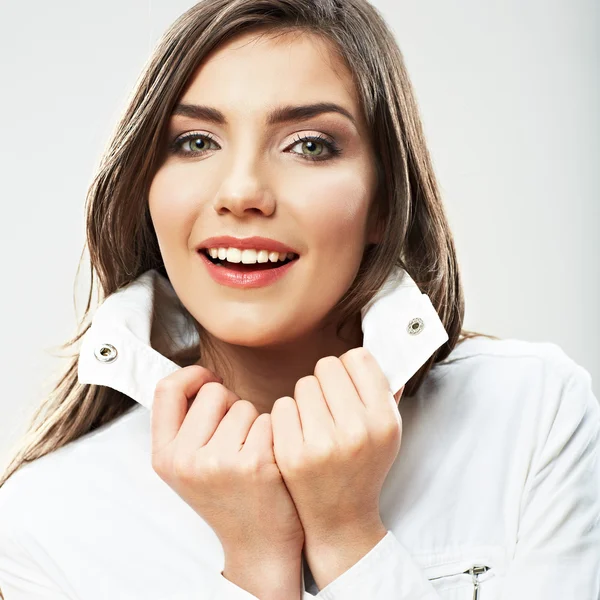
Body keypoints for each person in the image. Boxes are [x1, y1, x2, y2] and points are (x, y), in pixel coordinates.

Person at [0, 0, 598, 598]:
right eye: (197, 141)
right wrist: (257, 561)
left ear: (385, 201)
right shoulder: (43, 524)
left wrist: (348, 537)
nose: (241, 193)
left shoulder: (533, 413)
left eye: (309, 145)